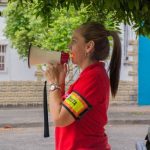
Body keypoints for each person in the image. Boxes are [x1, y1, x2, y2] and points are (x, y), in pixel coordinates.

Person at [45, 22, 121, 150]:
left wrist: (53, 83)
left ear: (89, 46)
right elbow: (60, 110)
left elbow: (59, 119)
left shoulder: (93, 78)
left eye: (74, 41)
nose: (69, 46)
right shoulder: (90, 76)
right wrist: (60, 82)